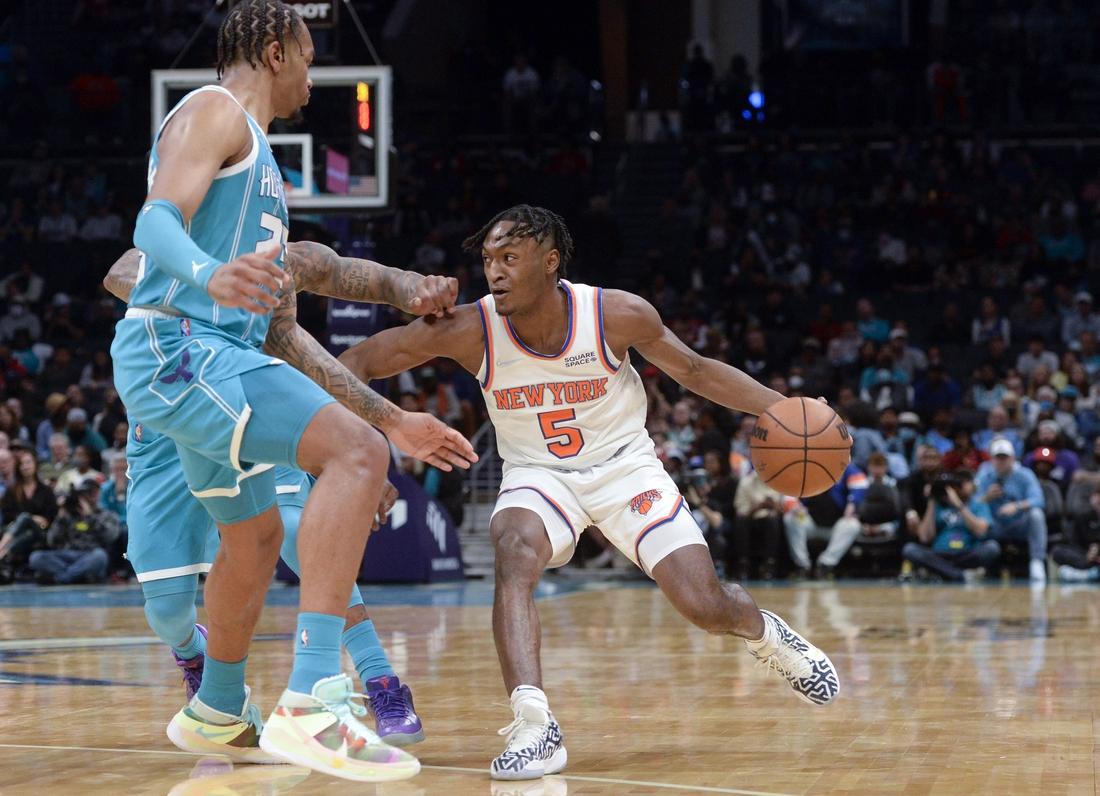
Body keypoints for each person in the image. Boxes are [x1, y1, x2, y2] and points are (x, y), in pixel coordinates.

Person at [338, 204, 840, 781]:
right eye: (488, 259)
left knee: (705, 606)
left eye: (510, 257)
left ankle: (766, 634)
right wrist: (365, 448)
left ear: (552, 262)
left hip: (625, 469)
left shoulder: (614, 314)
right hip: (538, 474)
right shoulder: (470, 328)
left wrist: (786, 409)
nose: (494, 271)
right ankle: (534, 724)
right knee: (513, 549)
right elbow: (356, 361)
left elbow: (697, 371)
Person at [109, 1, 473, 782]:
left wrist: (391, 417)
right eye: (307, 57)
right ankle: (314, 703)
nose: (313, 75)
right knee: (354, 455)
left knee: (256, 538)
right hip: (178, 347)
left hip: (211, 356)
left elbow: (280, 332)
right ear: (275, 52)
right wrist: (209, 274)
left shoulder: (262, 171)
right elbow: (152, 226)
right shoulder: (214, 111)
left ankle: (218, 706)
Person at [901, 469, 999, 582]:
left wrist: (958, 503)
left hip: (966, 553)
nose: (962, 486)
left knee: (992, 547)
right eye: (959, 483)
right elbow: (925, 537)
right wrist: (932, 500)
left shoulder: (979, 505)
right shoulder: (939, 505)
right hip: (940, 554)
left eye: (966, 482)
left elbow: (980, 531)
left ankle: (940, 571)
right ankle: (960, 575)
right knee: (910, 549)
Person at [974, 438, 1048, 585]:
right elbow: (972, 503)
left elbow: (1039, 499)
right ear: (991, 459)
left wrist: (1018, 506)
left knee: (1036, 514)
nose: (1001, 462)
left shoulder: (1025, 474)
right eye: (998, 458)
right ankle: (976, 564)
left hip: (1019, 524)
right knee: (976, 519)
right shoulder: (984, 474)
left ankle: (1037, 562)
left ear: (1013, 458)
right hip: (995, 525)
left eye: (1005, 458)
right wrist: (986, 497)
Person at [783, 463, 868, 579]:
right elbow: (787, 488)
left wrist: (852, 504)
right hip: (810, 524)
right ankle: (802, 565)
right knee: (790, 518)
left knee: (853, 525)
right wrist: (793, 505)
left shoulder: (842, 465)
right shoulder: (804, 465)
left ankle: (825, 565)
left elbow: (861, 483)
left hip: (835, 526)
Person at [27, 480, 118, 584]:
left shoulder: (106, 515)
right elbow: (51, 541)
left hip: (88, 555)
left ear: (97, 494)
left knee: (100, 556)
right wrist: (60, 517)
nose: (89, 497)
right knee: (36, 557)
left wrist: (90, 516)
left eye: (92, 493)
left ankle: (61, 578)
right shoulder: (68, 515)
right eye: (85, 493)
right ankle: (78, 576)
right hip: (65, 555)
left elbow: (110, 536)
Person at [0, 449, 58, 582]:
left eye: (28, 462)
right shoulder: (12, 489)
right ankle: (4, 555)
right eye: (22, 464)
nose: (25, 466)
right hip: (18, 530)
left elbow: (50, 517)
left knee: (25, 518)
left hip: (41, 531)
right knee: (27, 532)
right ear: (18, 467)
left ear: (35, 464)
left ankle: (1, 548)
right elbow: (7, 514)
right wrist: (31, 518)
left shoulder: (45, 490)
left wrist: (29, 519)